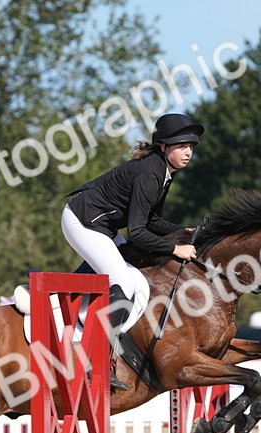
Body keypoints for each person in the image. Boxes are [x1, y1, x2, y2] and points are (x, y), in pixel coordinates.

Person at [62, 112, 202, 390]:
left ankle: (73, 306)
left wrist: (187, 232)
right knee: (124, 281)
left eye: (191, 147)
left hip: (102, 224)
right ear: (163, 147)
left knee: (134, 276)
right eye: (181, 146)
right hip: (83, 220)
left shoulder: (163, 173)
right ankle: (94, 359)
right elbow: (137, 232)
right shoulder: (151, 173)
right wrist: (177, 248)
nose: (188, 152)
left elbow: (151, 221)